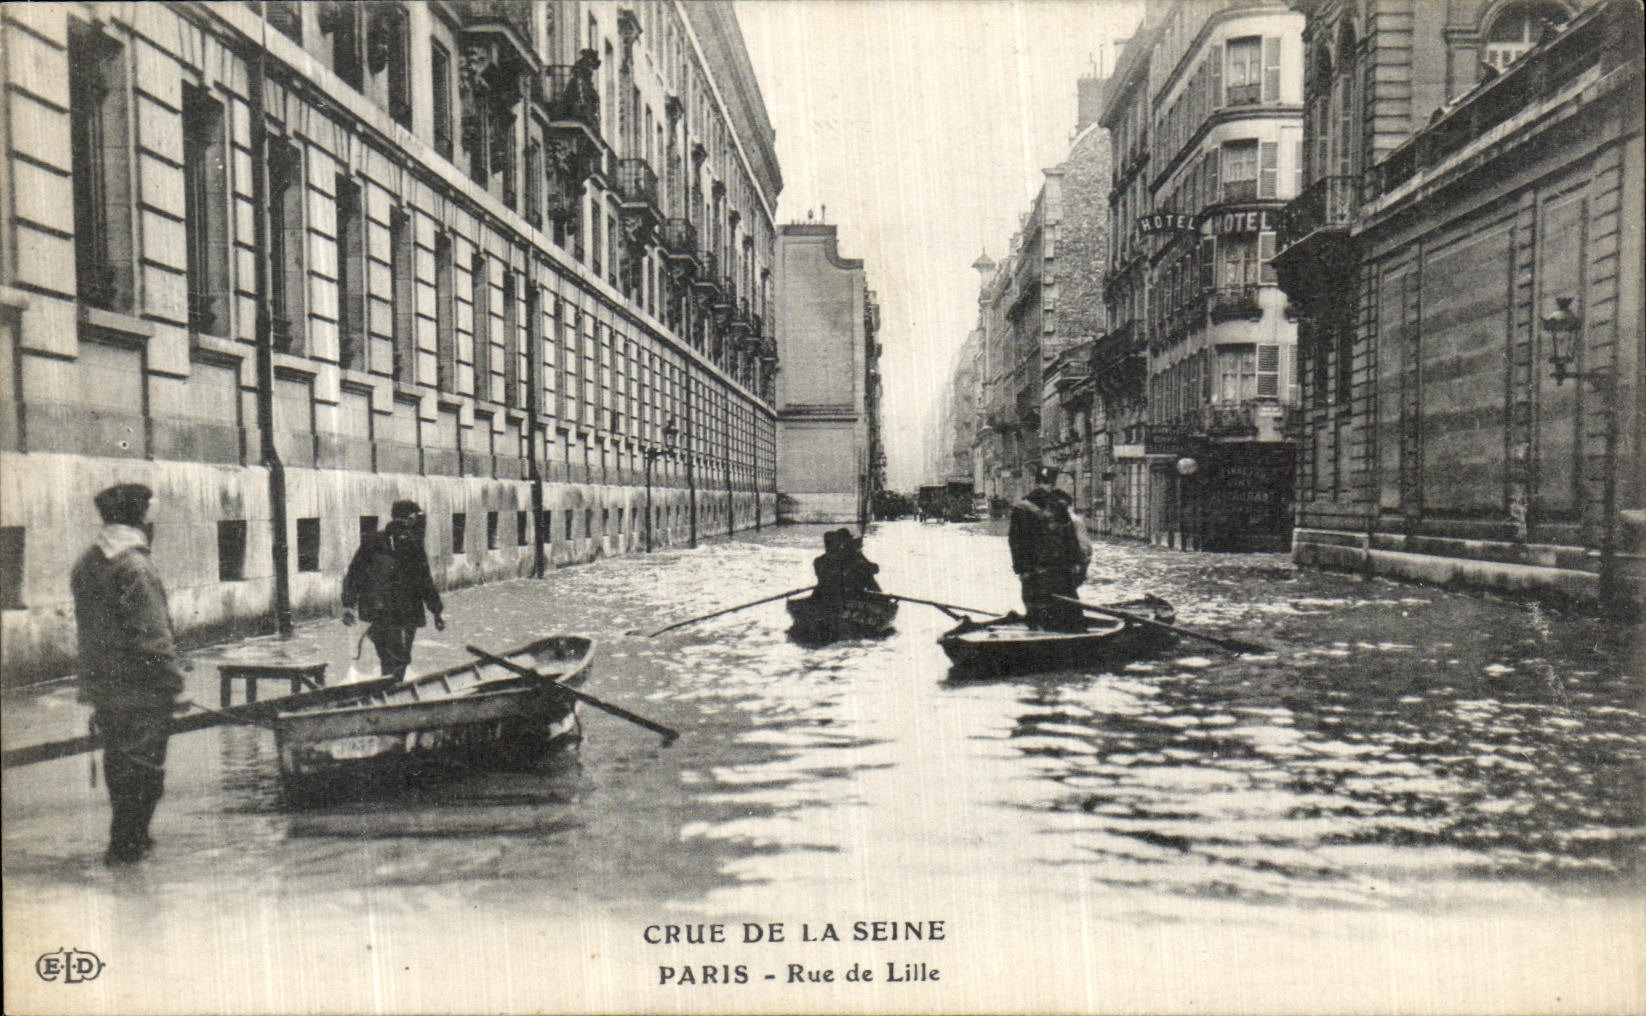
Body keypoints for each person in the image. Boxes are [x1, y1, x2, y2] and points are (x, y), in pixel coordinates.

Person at [71, 483, 186, 864]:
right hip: (142, 691)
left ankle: (128, 844)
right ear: (141, 520)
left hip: (105, 689)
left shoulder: (88, 562)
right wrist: (176, 685)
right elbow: (152, 638)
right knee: (145, 771)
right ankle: (127, 850)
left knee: (119, 764)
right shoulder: (135, 567)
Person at [342, 500, 445, 680]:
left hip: (377, 610)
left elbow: (354, 574)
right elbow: (424, 581)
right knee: (399, 659)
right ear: (411, 518)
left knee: (388, 658)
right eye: (415, 517)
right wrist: (436, 611)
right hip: (405, 612)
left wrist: (348, 605)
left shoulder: (371, 540)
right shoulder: (413, 543)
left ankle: (388, 687)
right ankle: (392, 689)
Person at [1008, 468, 1087, 631]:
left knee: (1066, 607)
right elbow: (1017, 542)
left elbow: (1069, 537)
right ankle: (1041, 634)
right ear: (1037, 484)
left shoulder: (1058, 507)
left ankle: (1068, 633)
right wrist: (1022, 569)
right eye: (1044, 483)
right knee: (1039, 607)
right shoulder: (1024, 509)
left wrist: (1075, 562)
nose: (1047, 487)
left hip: (1058, 568)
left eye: (1049, 484)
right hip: (1037, 568)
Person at [812, 528, 882, 606]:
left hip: (828, 596)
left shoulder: (818, 561)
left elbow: (873, 569)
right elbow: (874, 569)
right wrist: (858, 556)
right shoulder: (848, 558)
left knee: (865, 573)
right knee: (865, 574)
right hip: (843, 597)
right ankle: (879, 600)